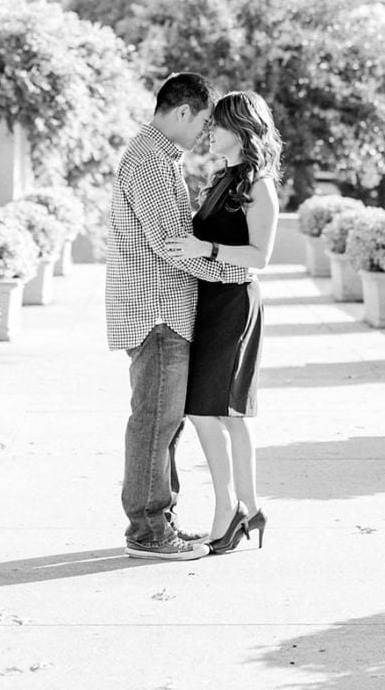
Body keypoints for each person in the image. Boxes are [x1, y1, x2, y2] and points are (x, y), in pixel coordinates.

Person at [107, 72, 247, 561]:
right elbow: (174, 247)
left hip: (161, 308)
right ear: (184, 112)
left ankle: (158, 523)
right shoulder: (149, 161)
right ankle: (147, 532)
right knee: (154, 423)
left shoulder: (157, 157)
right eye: (205, 119)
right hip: (157, 310)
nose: (207, 131)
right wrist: (239, 270)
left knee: (164, 423)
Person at [163, 90, 279, 556]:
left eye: (220, 125)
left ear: (243, 129)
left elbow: (260, 256)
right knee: (220, 412)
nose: (211, 131)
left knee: (212, 410)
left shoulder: (259, 185)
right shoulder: (222, 177)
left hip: (233, 304)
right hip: (210, 300)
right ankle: (246, 508)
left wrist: (203, 249)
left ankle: (230, 508)